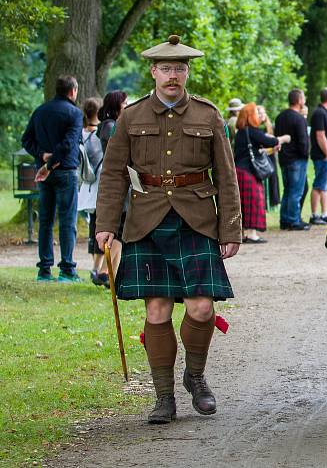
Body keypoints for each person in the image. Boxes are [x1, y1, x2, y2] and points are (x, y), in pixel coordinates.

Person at [95, 35, 242, 424]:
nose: (173, 76)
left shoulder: (209, 116)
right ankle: (163, 398)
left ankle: (195, 376)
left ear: (187, 72)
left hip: (196, 219)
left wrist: (230, 230)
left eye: (179, 68)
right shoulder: (131, 117)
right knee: (157, 310)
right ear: (153, 72)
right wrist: (106, 226)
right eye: (166, 69)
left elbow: (227, 178)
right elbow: (112, 176)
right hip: (146, 220)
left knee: (202, 306)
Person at [21, 75, 83, 283]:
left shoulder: (40, 111)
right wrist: (50, 162)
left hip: (44, 174)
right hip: (65, 171)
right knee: (67, 220)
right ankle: (67, 269)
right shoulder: (74, 113)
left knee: (45, 221)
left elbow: (26, 140)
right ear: (72, 91)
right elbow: (68, 144)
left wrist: (42, 156)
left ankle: (44, 270)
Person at [234, 102, 289, 243]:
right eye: (256, 113)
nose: (259, 115)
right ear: (250, 116)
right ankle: (252, 234)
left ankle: (244, 233)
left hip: (239, 170)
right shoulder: (252, 131)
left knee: (242, 203)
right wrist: (284, 138)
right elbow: (269, 141)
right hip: (248, 172)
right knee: (255, 201)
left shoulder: (241, 131)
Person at [95, 90, 129, 283]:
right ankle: (104, 270)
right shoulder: (110, 127)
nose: (126, 106)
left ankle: (110, 273)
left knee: (121, 229)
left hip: (123, 181)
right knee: (119, 230)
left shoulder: (111, 125)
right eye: (124, 103)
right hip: (118, 183)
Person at [77, 97, 105, 285]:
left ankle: (94, 266)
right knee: (102, 227)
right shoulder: (99, 136)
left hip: (86, 186)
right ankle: (98, 267)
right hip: (100, 186)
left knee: (93, 227)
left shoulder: (80, 134)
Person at [275, 89, 311, 231]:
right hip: (297, 159)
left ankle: (284, 220)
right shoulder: (299, 119)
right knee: (296, 191)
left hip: (284, 158)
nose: (304, 100)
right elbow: (303, 141)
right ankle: (294, 221)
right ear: (299, 100)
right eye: (303, 98)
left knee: (287, 190)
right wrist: (305, 155)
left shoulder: (280, 117)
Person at [308, 88, 327, 225]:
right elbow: (320, 135)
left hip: (326, 156)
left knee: (325, 186)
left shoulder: (326, 113)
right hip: (322, 156)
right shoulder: (319, 113)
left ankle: (325, 213)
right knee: (319, 185)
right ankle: (315, 215)